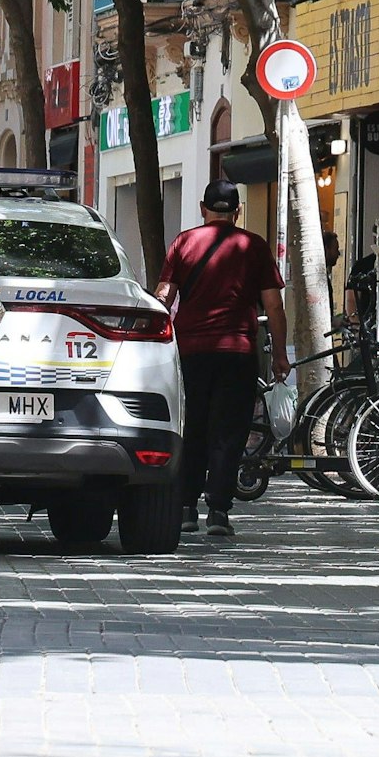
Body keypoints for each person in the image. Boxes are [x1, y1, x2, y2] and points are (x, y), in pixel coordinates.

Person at [152, 178, 289, 539]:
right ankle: (218, 512)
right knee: (229, 433)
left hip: (191, 352)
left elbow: (164, 295)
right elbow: (273, 305)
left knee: (192, 428)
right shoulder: (252, 245)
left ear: (203, 208)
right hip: (237, 352)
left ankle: (185, 508)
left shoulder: (184, 242)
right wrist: (279, 354)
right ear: (238, 211)